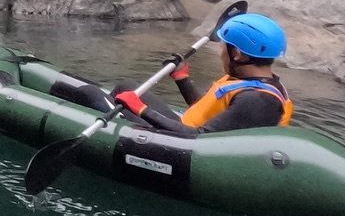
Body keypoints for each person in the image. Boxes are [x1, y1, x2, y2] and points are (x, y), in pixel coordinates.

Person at [114, 13, 294, 135]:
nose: (221, 54)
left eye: (224, 49)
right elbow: (207, 111)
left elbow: (199, 138)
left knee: (87, 94)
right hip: (184, 127)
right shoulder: (248, 81)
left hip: (187, 145)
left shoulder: (257, 101)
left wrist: (142, 110)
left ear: (237, 55)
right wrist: (182, 79)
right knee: (126, 87)